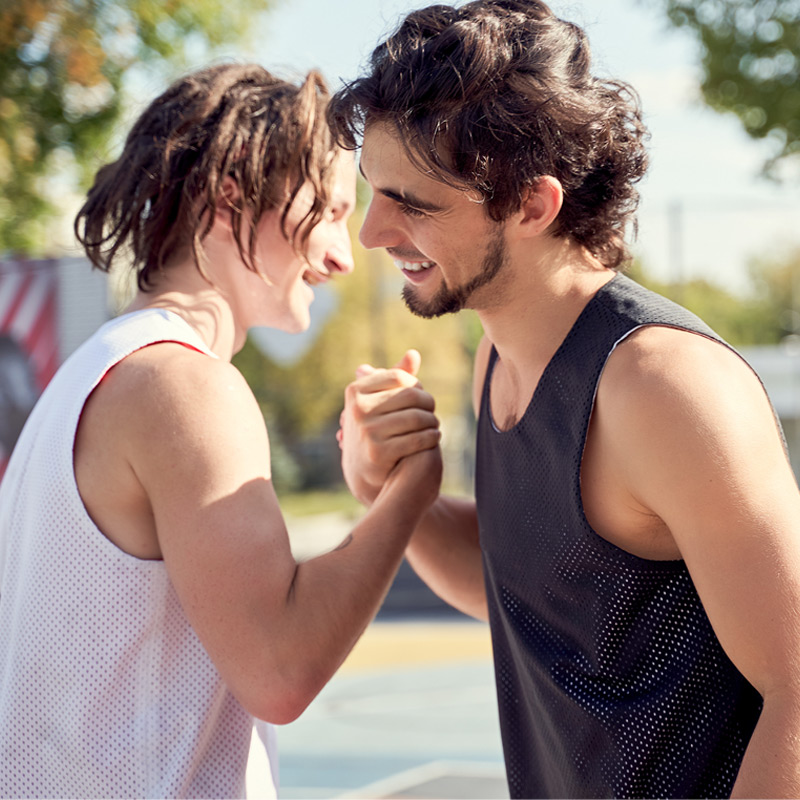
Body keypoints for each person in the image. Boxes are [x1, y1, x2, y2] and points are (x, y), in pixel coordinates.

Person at [328, 1, 800, 797]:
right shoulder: (498, 356)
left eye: (412, 202)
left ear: (531, 206)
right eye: (374, 192)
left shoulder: (662, 388)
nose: (372, 233)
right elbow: (535, 597)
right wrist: (392, 488)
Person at [0, 63, 441, 799]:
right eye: (329, 211)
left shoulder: (88, 377)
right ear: (232, 193)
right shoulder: (186, 386)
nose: (343, 254)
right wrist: (407, 491)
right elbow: (280, 668)